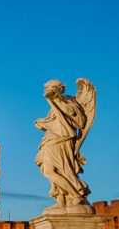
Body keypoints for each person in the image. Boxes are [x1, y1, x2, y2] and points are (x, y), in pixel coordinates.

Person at [34, 78, 95, 208]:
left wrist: (55, 100)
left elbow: (76, 118)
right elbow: (56, 121)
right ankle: (61, 200)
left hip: (62, 140)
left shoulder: (68, 100)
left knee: (57, 170)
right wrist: (43, 123)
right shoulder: (54, 103)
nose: (47, 91)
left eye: (50, 87)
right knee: (49, 170)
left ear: (59, 89)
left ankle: (76, 194)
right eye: (46, 88)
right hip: (51, 139)